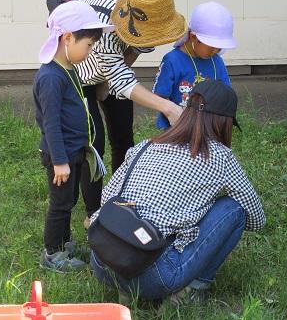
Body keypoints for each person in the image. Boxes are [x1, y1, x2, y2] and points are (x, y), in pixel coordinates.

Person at [89, 79, 266, 301]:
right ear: (223, 122)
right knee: (234, 209)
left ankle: (125, 288)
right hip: (154, 277)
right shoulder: (220, 156)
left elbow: (108, 198)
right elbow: (256, 219)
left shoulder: (146, 145)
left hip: (103, 262)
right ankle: (190, 291)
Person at [75, 0, 187, 228]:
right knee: (94, 143)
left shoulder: (149, 5)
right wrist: (168, 107)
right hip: (80, 74)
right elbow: (124, 82)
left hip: (113, 68)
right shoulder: (101, 28)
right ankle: (94, 214)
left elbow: (135, 50)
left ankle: (121, 201)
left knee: (123, 137)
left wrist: (114, 77)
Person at [33, 1, 114, 271]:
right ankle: (52, 252)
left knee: (70, 201)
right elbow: (51, 123)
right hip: (61, 155)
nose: (90, 51)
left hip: (75, 150)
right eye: (89, 45)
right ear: (68, 38)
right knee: (60, 204)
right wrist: (59, 161)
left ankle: (65, 242)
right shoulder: (50, 78)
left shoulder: (70, 69)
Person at [152, 1, 236, 129]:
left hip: (207, 127)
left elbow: (225, 93)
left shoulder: (216, 61)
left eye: (220, 47)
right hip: (175, 128)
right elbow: (160, 95)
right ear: (193, 37)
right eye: (212, 46)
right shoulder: (172, 61)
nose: (216, 51)